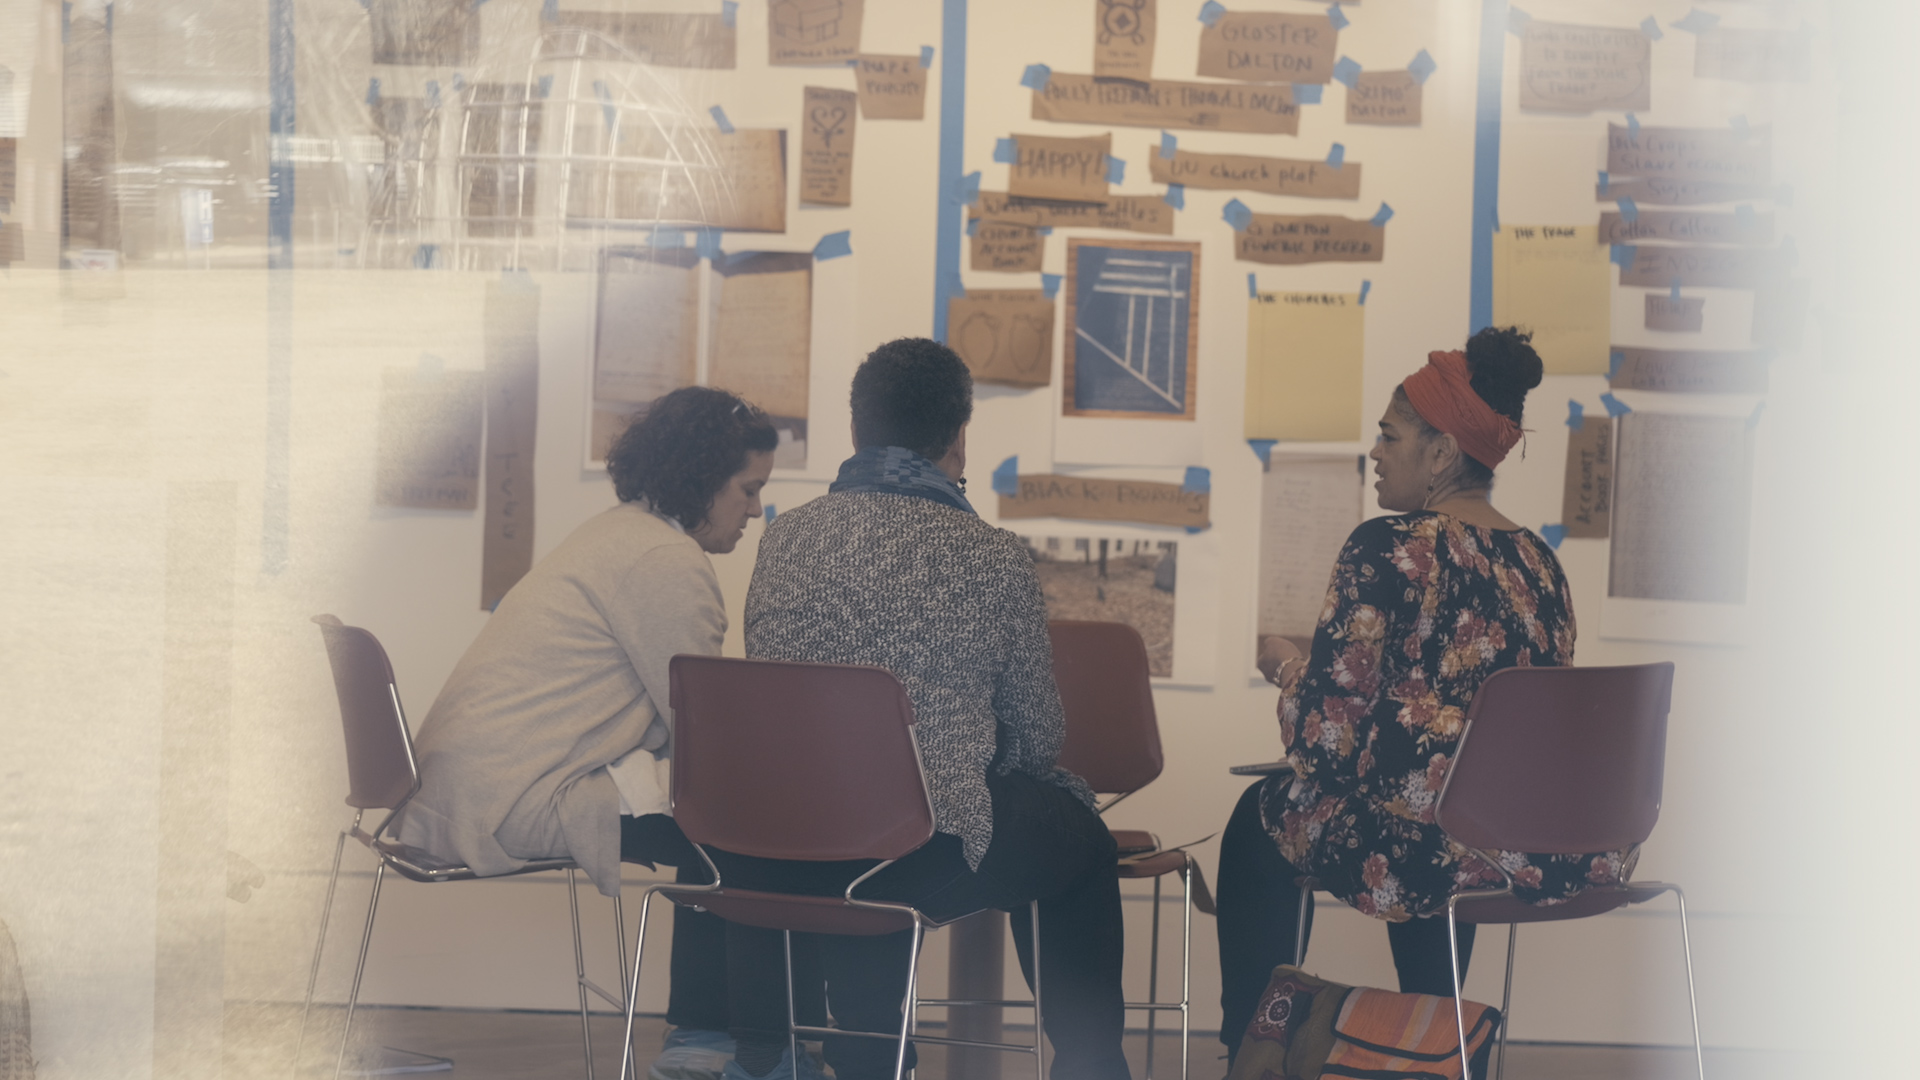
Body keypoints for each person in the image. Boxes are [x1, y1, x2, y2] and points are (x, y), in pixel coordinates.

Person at [1213, 327, 1635, 1064]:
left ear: (1441, 453)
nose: (1374, 452)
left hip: (1439, 844)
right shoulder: (1540, 564)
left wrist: (1291, 672)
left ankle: (1254, 1052)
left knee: (1262, 818)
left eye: (1389, 434)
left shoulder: (1387, 546)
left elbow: (1326, 742)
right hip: (1539, 843)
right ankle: (1438, 1040)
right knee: (1434, 799)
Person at [718, 338, 1131, 1080]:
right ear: (959, 436)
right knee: (1079, 841)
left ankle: (873, 1056)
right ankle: (1092, 1067)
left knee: (862, 819)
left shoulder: (783, 539)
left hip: (784, 848)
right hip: (919, 853)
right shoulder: (992, 555)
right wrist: (971, 762)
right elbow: (1038, 739)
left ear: (855, 432)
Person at [394, 386, 779, 1080]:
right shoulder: (664, 560)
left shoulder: (617, 531)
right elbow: (706, 730)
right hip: (512, 799)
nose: (755, 509)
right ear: (702, 480)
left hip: (472, 784)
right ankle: (728, 1046)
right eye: (748, 490)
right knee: (742, 825)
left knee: (719, 818)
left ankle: (707, 1036)